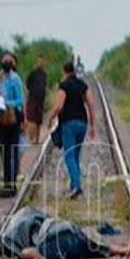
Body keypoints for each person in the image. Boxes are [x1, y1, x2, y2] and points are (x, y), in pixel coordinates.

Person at [0, 207, 130, 259]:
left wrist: (35, 255)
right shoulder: (26, 215)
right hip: (70, 231)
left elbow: (23, 251)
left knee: (35, 251)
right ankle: (113, 249)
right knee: (88, 247)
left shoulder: (8, 238)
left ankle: (113, 250)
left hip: (53, 241)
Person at [47, 61, 96, 200]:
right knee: (75, 156)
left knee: (69, 156)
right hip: (82, 123)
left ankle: (76, 186)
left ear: (64, 72)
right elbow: (91, 104)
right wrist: (92, 125)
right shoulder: (82, 85)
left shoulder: (64, 86)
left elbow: (59, 106)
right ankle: (74, 185)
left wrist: (50, 118)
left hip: (69, 123)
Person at [0, 52, 24, 198]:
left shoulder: (15, 79)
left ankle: (12, 184)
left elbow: (20, 100)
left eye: (9, 60)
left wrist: (6, 103)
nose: (7, 62)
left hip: (11, 119)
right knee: (4, 151)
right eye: (5, 59)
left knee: (12, 150)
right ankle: (7, 184)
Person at [25, 54, 48, 144]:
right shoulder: (32, 74)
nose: (40, 64)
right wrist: (31, 91)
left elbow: (44, 86)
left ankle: (37, 139)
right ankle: (31, 137)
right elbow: (27, 83)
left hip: (41, 100)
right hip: (33, 99)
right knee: (32, 120)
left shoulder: (44, 75)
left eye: (42, 62)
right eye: (39, 62)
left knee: (39, 120)